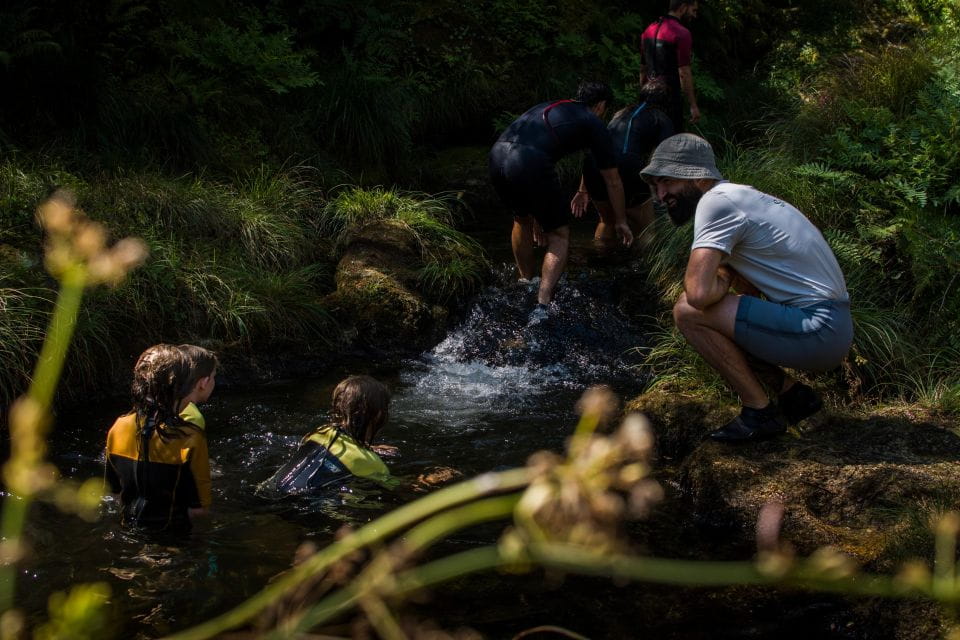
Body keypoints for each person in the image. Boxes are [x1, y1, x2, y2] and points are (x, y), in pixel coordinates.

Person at [640, 134, 853, 442]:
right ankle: (793, 396)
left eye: (667, 182)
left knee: (687, 311)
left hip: (819, 327)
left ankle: (759, 412)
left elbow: (698, 294)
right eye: (655, 186)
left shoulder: (715, 203)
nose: (660, 195)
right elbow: (749, 298)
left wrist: (724, 273)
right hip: (831, 325)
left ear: (697, 177)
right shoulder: (741, 196)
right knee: (725, 319)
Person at [489, 81, 633, 315]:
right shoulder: (593, 122)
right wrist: (621, 221)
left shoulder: (554, 106)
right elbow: (612, 180)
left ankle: (525, 282)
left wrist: (540, 214)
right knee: (559, 234)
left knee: (521, 219)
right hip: (529, 162)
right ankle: (542, 304)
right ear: (601, 105)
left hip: (498, 155)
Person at [105, 344, 218, 531]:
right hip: (173, 536)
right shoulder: (189, 437)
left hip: (129, 529)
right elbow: (198, 511)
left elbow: (114, 494)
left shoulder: (118, 426)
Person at [572, 79, 676, 248]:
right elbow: (664, 158)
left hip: (593, 165)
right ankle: (643, 268)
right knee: (646, 228)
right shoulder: (662, 119)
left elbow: (598, 148)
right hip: (628, 167)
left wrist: (583, 189)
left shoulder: (620, 113)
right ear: (667, 103)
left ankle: (599, 261)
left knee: (607, 221)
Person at [268, 375, 400, 493]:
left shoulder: (320, 432)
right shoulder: (373, 464)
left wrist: (371, 449)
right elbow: (394, 486)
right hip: (301, 505)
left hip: (270, 490)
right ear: (378, 416)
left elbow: (339, 450)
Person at [640, 0, 701, 132]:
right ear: (683, 7)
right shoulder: (681, 33)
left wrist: (642, 96)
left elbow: (643, 68)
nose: (695, 15)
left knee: (652, 144)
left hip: (648, 99)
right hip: (670, 101)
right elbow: (684, 72)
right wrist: (693, 105)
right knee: (671, 144)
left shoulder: (648, 29)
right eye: (693, 10)